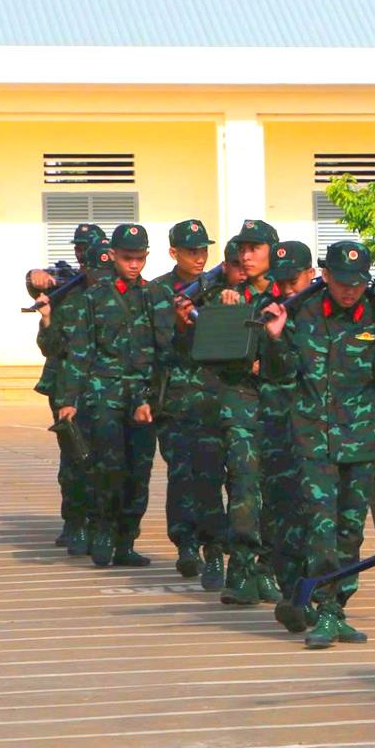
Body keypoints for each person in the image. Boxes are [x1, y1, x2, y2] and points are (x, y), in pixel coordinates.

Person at [262, 240, 375, 648]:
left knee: (350, 530)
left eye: (358, 283)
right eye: (342, 282)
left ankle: (337, 607)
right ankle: (323, 608)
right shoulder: (301, 314)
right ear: (325, 276)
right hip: (312, 438)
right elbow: (278, 375)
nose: (350, 290)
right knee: (320, 527)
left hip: (360, 439)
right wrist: (274, 338)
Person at [182, 218, 281, 606]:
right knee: (243, 486)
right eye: (242, 247)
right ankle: (240, 567)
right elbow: (205, 351)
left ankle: (267, 568)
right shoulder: (222, 295)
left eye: (255, 247)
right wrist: (225, 316)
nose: (246, 254)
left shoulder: (290, 295)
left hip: (283, 405)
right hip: (241, 402)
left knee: (278, 491)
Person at [54, 223, 163, 568]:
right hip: (104, 392)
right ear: (113, 255)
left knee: (139, 469)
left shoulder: (155, 296)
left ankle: (126, 539)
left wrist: (157, 397)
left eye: (140, 258)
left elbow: (165, 351)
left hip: (143, 395)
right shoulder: (94, 298)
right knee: (107, 467)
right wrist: (68, 399)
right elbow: (80, 351)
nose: (134, 264)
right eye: (127, 257)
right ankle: (102, 530)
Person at [146, 219, 223, 578]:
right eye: (191, 251)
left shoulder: (217, 286)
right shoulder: (158, 291)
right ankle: (186, 543)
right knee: (182, 474)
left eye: (203, 250)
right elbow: (153, 346)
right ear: (174, 252)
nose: (199, 257)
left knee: (210, 474)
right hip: (176, 399)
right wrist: (178, 327)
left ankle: (214, 546)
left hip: (213, 397)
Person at [30, 222, 105, 555]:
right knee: (75, 457)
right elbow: (49, 343)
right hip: (65, 383)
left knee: (105, 459)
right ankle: (75, 523)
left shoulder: (115, 291)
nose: (82, 255)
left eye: (87, 250)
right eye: (79, 249)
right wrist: (45, 314)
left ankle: (101, 524)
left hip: (104, 386)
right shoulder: (66, 287)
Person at [261, 241, 317, 624]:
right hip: (278, 426)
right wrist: (274, 335)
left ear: (311, 275)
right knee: (282, 513)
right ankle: (292, 592)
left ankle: (320, 595)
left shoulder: (328, 314)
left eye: (292, 280)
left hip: (323, 430)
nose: (285, 289)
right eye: (278, 282)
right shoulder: (265, 311)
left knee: (321, 516)